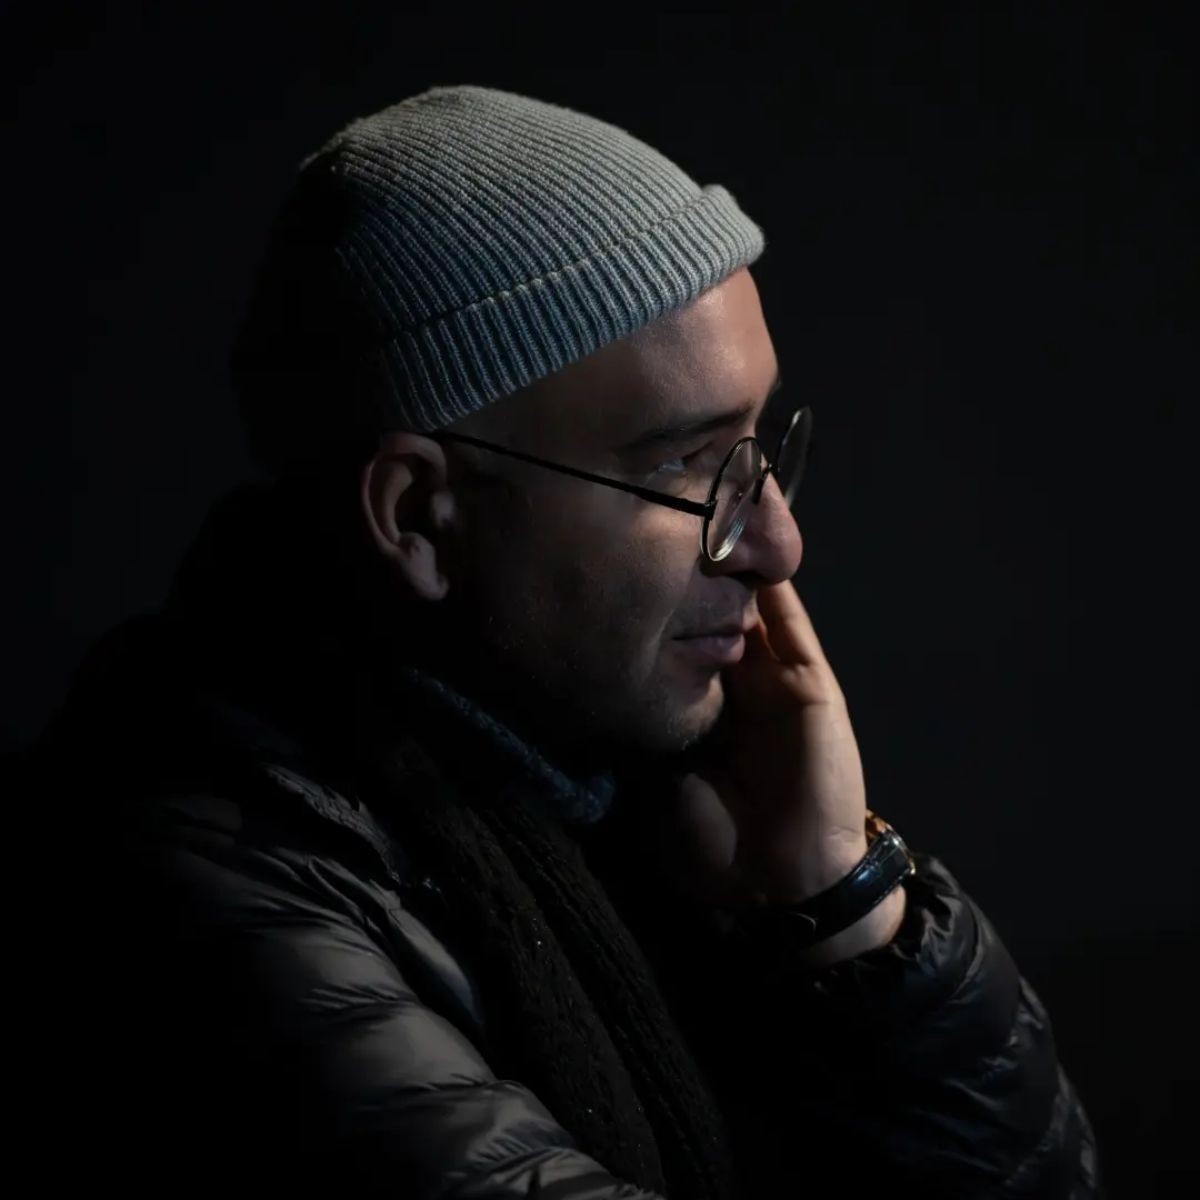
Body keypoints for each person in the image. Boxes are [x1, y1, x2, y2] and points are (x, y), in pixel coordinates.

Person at [21, 84, 1102, 1196]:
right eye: (685, 465)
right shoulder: (204, 894)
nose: (777, 542)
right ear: (418, 515)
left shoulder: (644, 791)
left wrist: (843, 904)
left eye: (760, 445)